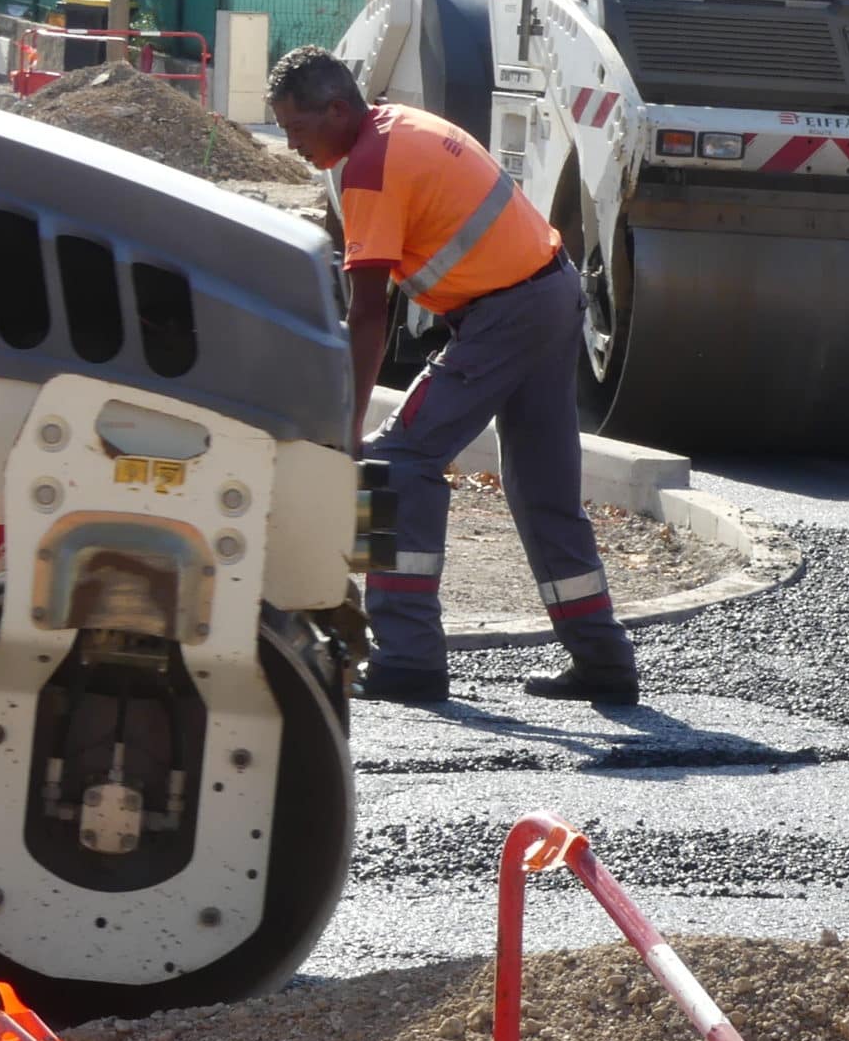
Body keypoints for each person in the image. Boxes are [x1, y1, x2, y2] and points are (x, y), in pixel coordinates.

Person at [266, 46, 640, 707]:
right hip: (549, 296)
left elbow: (370, 314)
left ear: (335, 108)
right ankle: (604, 659)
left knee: (391, 462)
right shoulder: (397, 128)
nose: (291, 144)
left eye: (297, 128)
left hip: (510, 313)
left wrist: (347, 429)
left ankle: (408, 659)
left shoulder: (372, 169)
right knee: (543, 490)